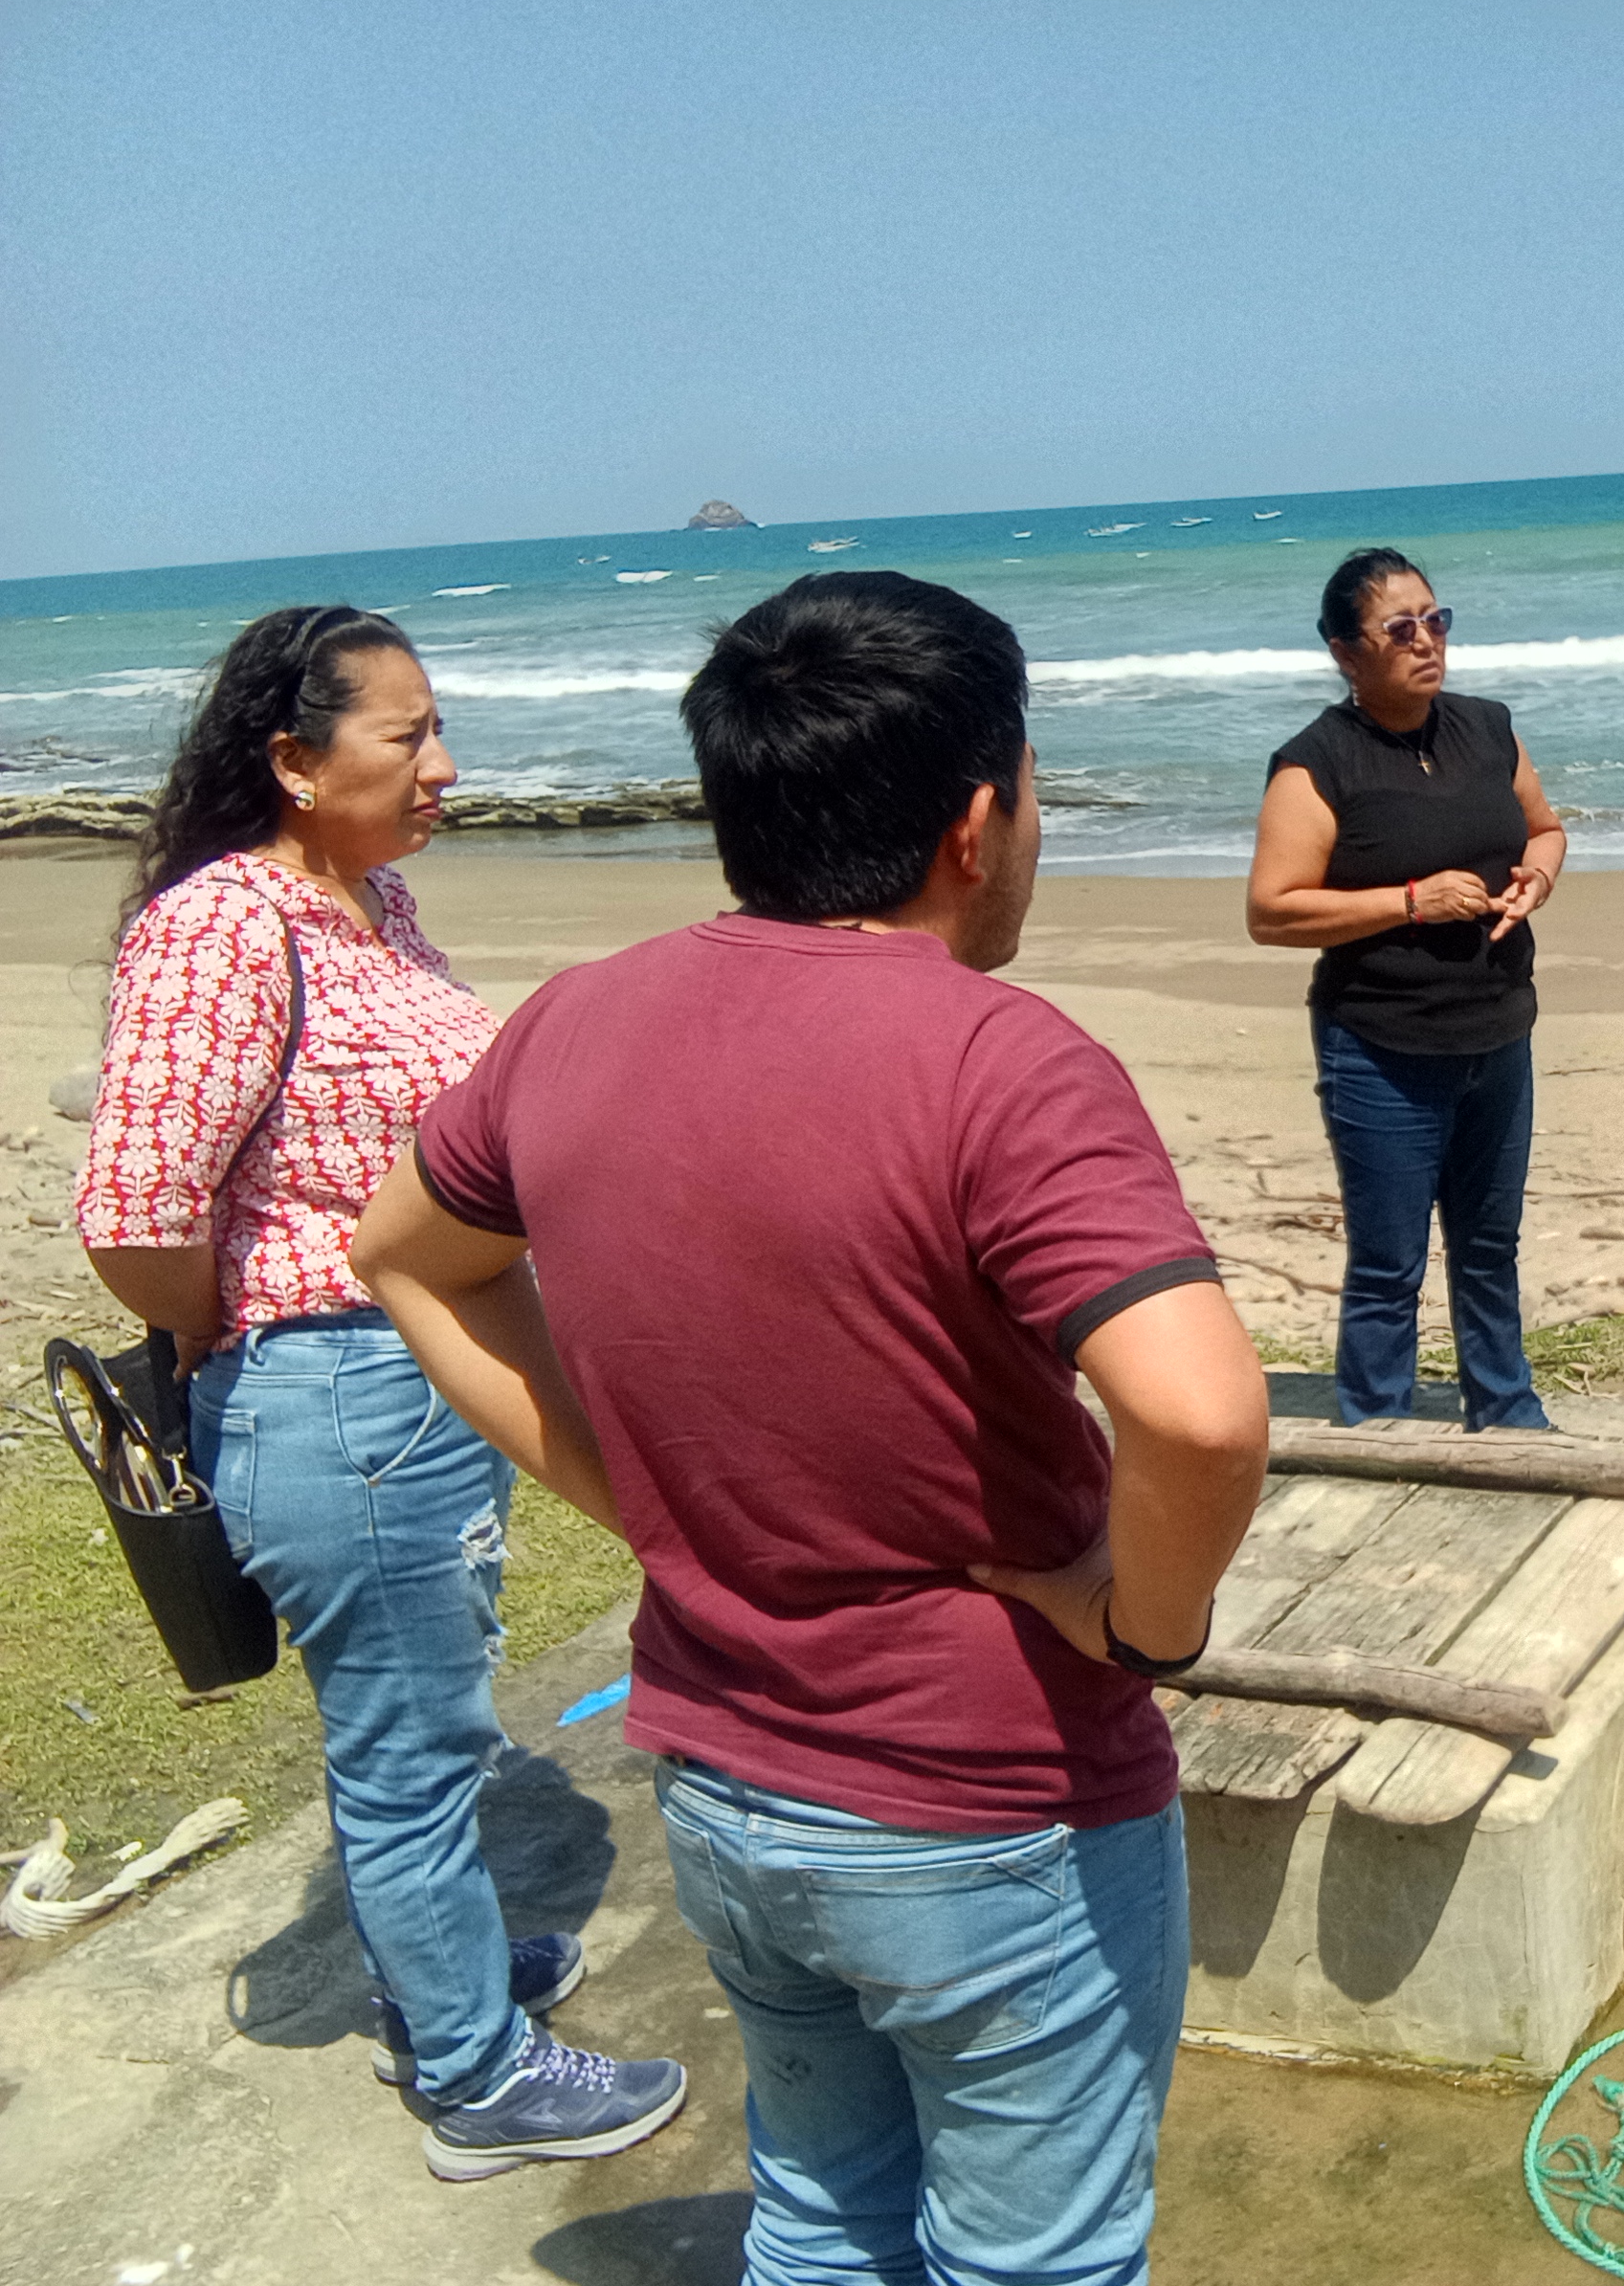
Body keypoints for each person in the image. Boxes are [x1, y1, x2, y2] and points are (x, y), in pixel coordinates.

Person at [351, 571, 1270, 2283]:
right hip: (989, 1804)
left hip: (725, 1783)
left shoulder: (574, 1020)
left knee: (824, 2215)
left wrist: (629, 1493)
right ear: (978, 822)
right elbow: (1204, 1416)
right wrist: (1142, 1620)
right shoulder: (998, 1058)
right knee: (1037, 2255)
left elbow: (405, 1256)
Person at [74, 606, 683, 2180]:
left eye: (437, 729)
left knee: (429, 1719)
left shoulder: (369, 899)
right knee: (405, 1749)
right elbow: (136, 1215)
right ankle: (476, 2075)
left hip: (410, 1379)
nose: (443, 763)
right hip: (337, 1389)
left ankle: (443, 1975)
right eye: (406, 734)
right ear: (294, 759)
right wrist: (232, 1331)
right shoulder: (224, 925)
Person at [1248, 546, 1568, 1432]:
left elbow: (1544, 829)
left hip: (1499, 1033)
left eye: (1436, 620)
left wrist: (1537, 878)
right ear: (1346, 653)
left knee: (1489, 1248)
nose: (1427, 641)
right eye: (1400, 628)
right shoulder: (1317, 763)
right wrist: (1410, 903)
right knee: (1389, 1265)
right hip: (1382, 1048)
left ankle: (1508, 1415)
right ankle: (1375, 1429)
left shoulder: (1487, 727)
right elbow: (1272, 911)